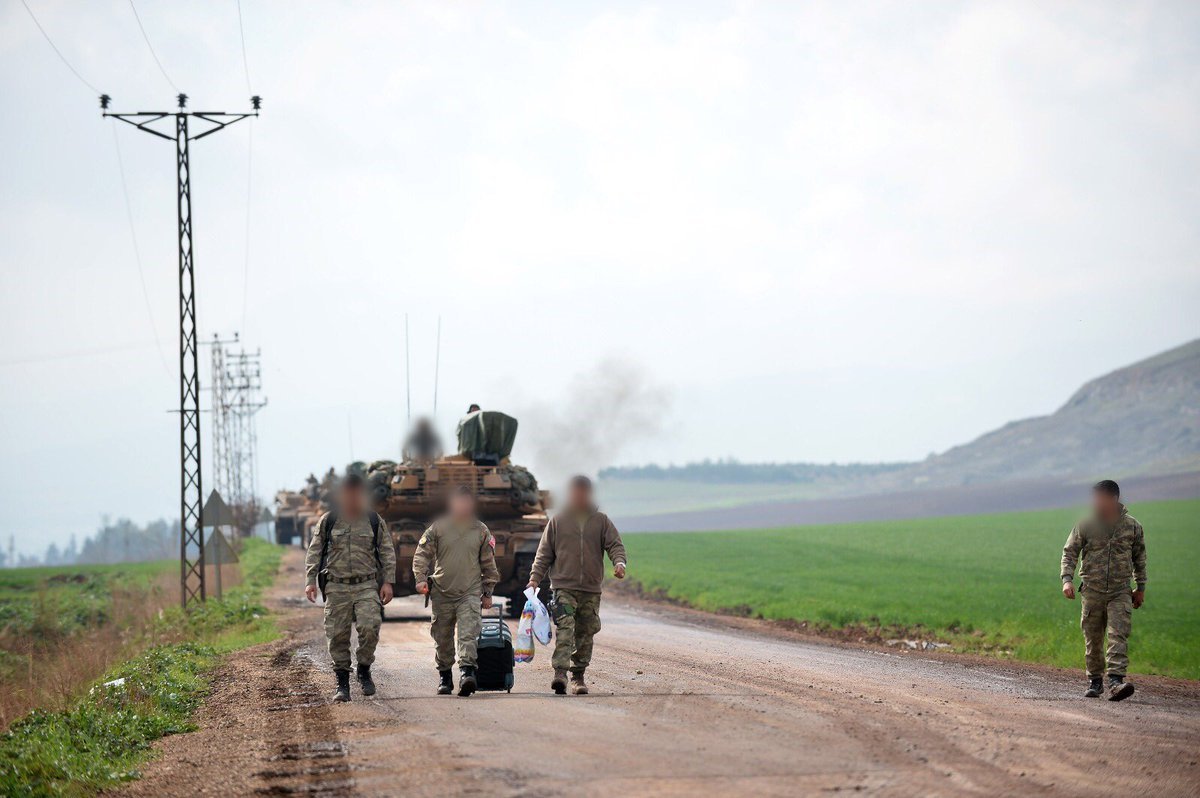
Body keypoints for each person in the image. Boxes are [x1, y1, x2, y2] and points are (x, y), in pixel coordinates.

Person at [527, 475, 627, 695]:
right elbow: (543, 554)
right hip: (563, 586)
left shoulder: (601, 521)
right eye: (575, 493)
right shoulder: (558, 521)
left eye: (583, 493)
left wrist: (619, 563)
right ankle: (560, 674)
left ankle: (578, 677)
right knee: (565, 627)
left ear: (588, 495)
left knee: (585, 632)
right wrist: (535, 579)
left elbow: (615, 546)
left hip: (590, 589)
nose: (579, 497)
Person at [304, 473, 396, 702]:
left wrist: (387, 581)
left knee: (370, 627)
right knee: (337, 635)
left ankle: (364, 669)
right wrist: (310, 581)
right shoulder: (329, 520)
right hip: (336, 585)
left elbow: (386, 551)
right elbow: (314, 551)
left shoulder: (373, 520)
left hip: (366, 584)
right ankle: (342, 682)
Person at [1060, 479, 1147, 701]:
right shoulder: (1086, 524)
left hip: (1120, 591)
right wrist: (1067, 580)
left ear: (1113, 499)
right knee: (1093, 638)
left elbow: (1140, 558)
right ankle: (1095, 682)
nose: (1096, 502)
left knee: (1118, 634)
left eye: (1100, 498)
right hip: (1092, 590)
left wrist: (1140, 587)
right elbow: (1070, 552)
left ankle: (1116, 682)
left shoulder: (1133, 526)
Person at [413, 486, 500, 696]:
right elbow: (422, 553)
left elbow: (488, 563)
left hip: (469, 592)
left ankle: (467, 673)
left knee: (467, 633)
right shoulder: (438, 528)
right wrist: (420, 578)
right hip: (442, 592)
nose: (463, 506)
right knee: (442, 637)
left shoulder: (480, 530)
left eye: (466, 502)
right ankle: (445, 677)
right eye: (459, 501)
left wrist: (487, 592)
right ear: (452, 504)